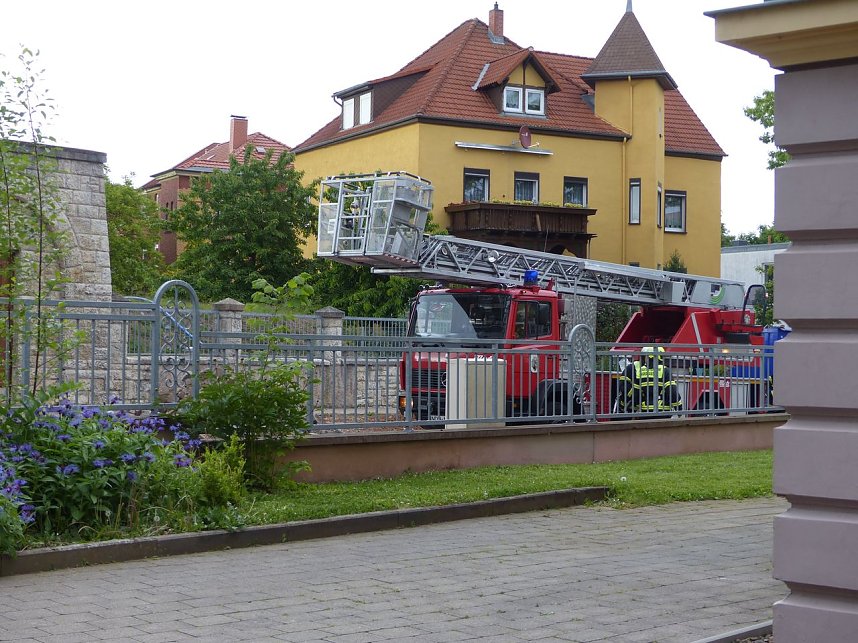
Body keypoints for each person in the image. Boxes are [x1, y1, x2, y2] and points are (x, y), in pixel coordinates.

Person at [615, 346, 682, 416]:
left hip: (644, 410)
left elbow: (633, 390)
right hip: (663, 410)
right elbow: (672, 391)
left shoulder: (640, 371)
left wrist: (631, 405)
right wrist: (679, 408)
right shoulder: (665, 370)